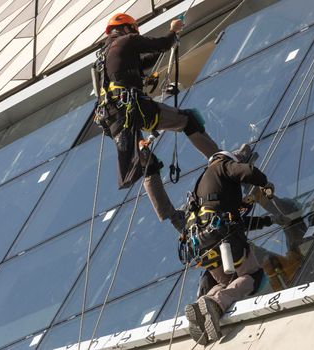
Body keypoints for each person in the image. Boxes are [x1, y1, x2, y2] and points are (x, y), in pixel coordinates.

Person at [93, 13, 223, 233]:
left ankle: (173, 218)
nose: (136, 34)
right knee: (187, 120)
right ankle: (221, 161)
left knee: (145, 163)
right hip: (135, 109)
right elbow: (161, 45)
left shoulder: (103, 57)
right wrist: (173, 31)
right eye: (134, 30)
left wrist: (171, 40)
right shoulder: (127, 41)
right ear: (126, 29)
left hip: (114, 118)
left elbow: (146, 60)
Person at [181, 150, 275, 345]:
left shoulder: (198, 191)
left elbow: (238, 219)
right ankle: (216, 304)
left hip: (205, 248)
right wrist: (264, 183)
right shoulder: (222, 166)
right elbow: (247, 172)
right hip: (226, 241)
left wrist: (265, 221)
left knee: (227, 281)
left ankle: (203, 305)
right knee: (253, 276)